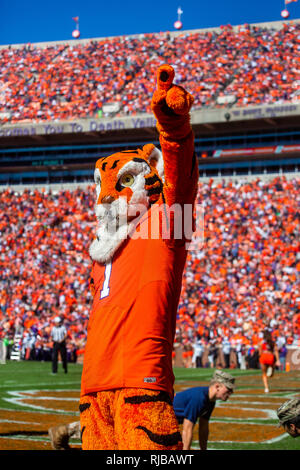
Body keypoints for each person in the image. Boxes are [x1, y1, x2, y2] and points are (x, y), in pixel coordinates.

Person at [173, 370, 235, 450]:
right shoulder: (199, 397)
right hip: (158, 421)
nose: (231, 392)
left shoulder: (211, 401)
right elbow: (187, 429)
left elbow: (203, 427)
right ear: (217, 386)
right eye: (229, 389)